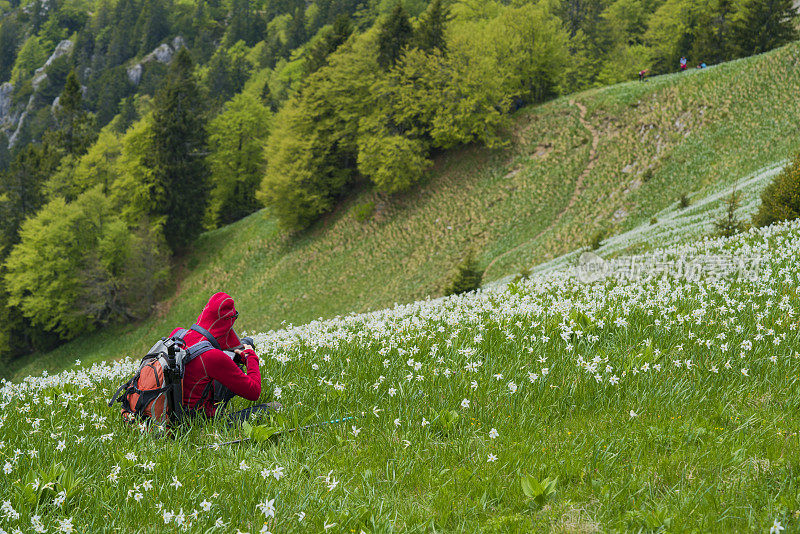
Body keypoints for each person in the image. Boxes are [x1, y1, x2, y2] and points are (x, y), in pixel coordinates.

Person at [172, 292, 278, 424]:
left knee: (230, 369)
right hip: (195, 425)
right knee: (274, 408)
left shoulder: (178, 335)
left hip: (167, 416)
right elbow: (254, 392)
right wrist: (250, 357)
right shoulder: (212, 357)